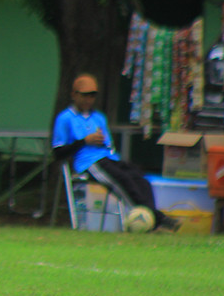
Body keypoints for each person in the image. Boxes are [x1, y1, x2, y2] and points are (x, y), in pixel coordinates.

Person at [52, 73, 178, 232]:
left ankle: (152, 218)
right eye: (84, 95)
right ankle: (154, 220)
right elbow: (58, 152)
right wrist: (84, 141)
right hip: (89, 163)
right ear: (74, 95)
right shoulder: (65, 118)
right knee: (123, 181)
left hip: (108, 158)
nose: (88, 99)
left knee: (140, 178)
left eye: (92, 95)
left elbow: (109, 145)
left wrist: (103, 143)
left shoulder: (98, 118)